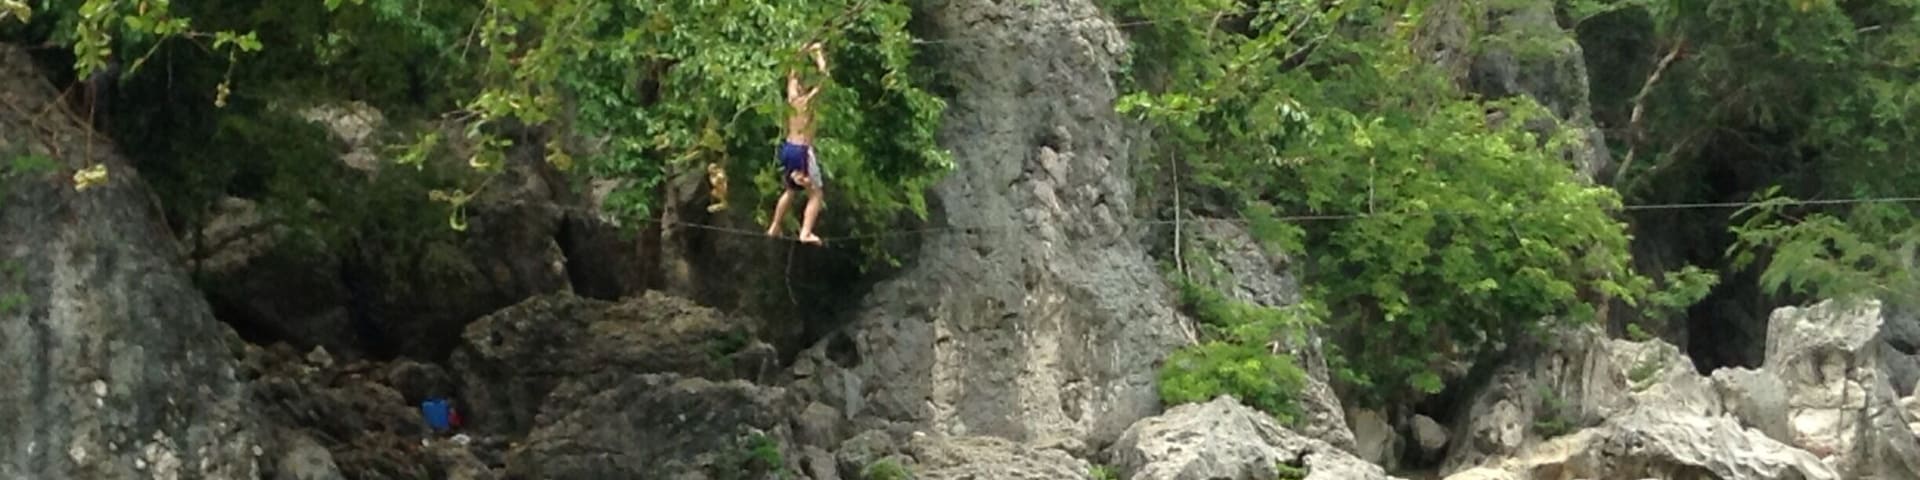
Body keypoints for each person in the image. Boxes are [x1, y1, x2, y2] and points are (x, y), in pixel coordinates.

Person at [767, 41, 830, 245]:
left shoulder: (792, 100)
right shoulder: (808, 102)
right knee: (816, 194)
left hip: (788, 148)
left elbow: (792, 75)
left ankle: (775, 225)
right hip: (802, 151)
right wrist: (818, 54)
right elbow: (824, 78)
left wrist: (802, 52)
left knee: (791, 190)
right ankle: (806, 232)